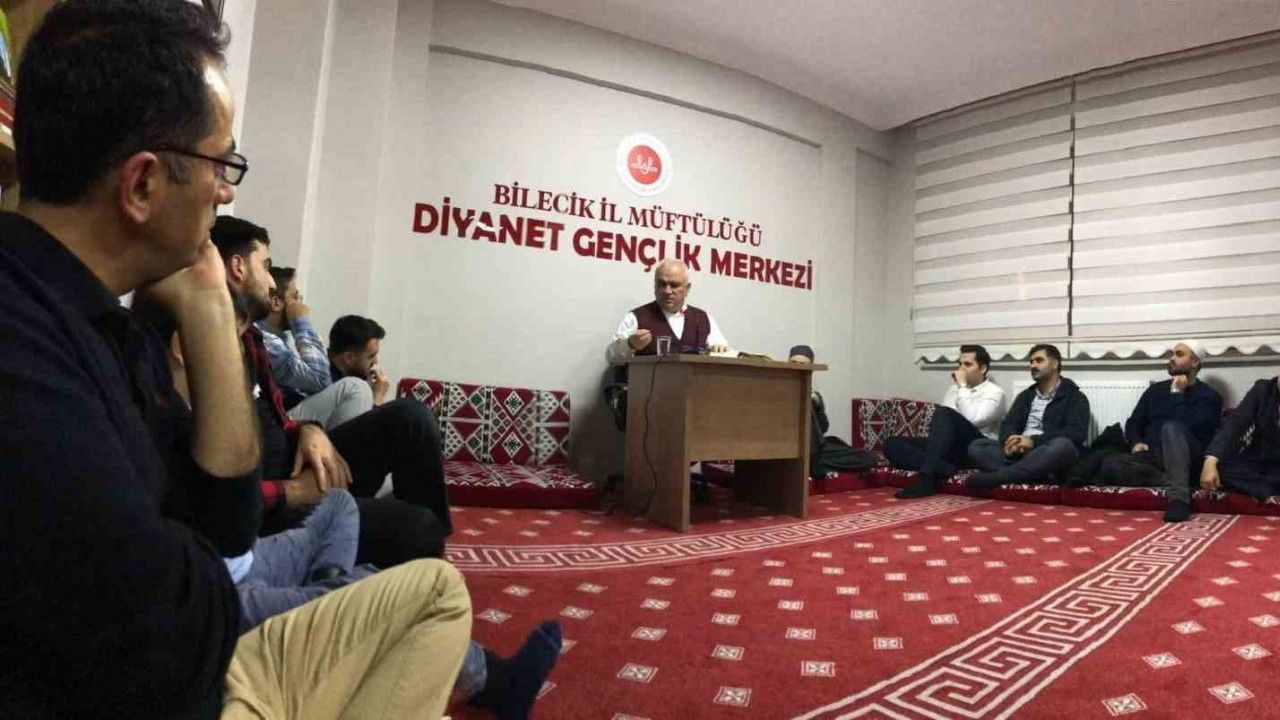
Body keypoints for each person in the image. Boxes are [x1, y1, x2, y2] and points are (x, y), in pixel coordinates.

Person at [0, 2, 469, 717]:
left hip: (188, 644)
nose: (226, 192)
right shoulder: (23, 341)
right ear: (143, 185)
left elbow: (225, 532)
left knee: (429, 590)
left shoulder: (106, 325)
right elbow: (173, 632)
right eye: (223, 164)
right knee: (425, 605)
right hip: (172, 683)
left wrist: (210, 308)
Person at [144, 292, 562, 720]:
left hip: (254, 556)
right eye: (234, 338)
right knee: (413, 588)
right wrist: (291, 490)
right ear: (184, 347)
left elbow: (273, 427)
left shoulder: (208, 402)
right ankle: (492, 680)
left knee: (341, 504)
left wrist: (307, 429)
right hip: (219, 592)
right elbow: (213, 509)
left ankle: (327, 590)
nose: (246, 353)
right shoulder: (169, 424)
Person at [212, 215, 454, 547]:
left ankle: (416, 537)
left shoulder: (252, 339)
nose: (271, 283)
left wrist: (306, 429)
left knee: (412, 417)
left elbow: (273, 418)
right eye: (265, 267)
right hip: (276, 499)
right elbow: (209, 491)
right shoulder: (203, 346)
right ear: (237, 268)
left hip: (298, 459)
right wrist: (292, 490)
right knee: (418, 527)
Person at [1097, 341, 1222, 522]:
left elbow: (1190, 428)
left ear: (1195, 362)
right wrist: (1136, 442)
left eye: (1179, 354)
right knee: (1110, 464)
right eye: (1172, 354)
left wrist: (1177, 393)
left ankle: (1179, 498)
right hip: (1153, 457)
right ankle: (1177, 480)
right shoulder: (1155, 391)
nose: (1172, 358)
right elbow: (1133, 423)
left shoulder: (1209, 397)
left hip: (1186, 457)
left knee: (1171, 427)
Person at [964, 344, 1089, 494]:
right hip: (1021, 454)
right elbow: (1008, 425)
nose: (1033, 365)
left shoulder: (1075, 397)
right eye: (1031, 362)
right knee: (977, 447)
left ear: (1055, 364)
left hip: (1048, 450)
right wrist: (1013, 441)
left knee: (1063, 446)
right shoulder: (1025, 396)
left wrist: (1032, 442)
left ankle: (1001, 476)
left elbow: (1075, 434)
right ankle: (1035, 473)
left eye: (1039, 360)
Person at [885, 344, 1006, 498]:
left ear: (983, 368)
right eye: (960, 364)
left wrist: (962, 387)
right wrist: (960, 388)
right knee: (892, 444)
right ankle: (943, 468)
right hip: (949, 449)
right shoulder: (953, 389)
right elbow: (944, 427)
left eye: (968, 364)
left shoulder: (995, 392)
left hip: (975, 447)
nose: (961, 369)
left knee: (944, 412)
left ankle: (926, 478)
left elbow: (973, 419)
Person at [606, 258, 730, 365]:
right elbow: (612, 357)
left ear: (687, 289)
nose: (667, 291)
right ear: (655, 286)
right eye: (662, 284)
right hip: (647, 385)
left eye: (674, 285)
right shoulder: (636, 317)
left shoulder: (703, 319)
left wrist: (720, 350)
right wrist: (629, 344)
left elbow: (722, 349)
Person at [1200, 376, 1280, 502]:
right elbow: (1237, 423)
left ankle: (1264, 490)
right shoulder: (1263, 389)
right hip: (1260, 464)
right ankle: (1266, 489)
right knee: (1219, 468)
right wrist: (1211, 459)